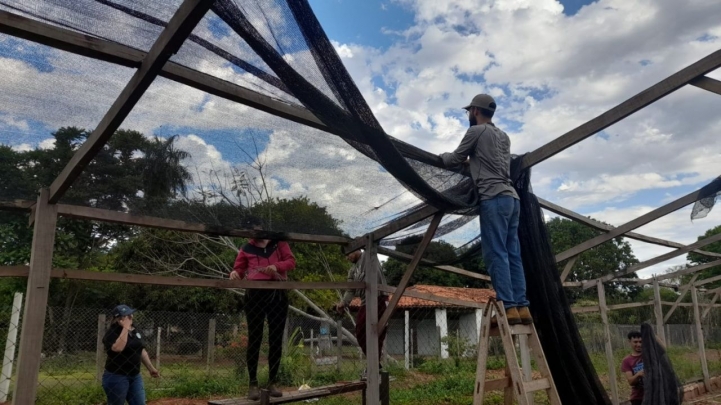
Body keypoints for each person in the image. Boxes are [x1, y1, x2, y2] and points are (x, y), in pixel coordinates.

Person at [439, 94, 530, 325]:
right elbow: (490, 160)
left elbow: (454, 159)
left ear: (476, 111)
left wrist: (441, 157)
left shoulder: (475, 132)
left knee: (496, 253)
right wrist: (473, 162)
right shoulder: (503, 136)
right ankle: (522, 307)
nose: (468, 114)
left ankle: (508, 306)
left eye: (469, 111)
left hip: (493, 198)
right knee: (513, 254)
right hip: (512, 198)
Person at [230, 231, 296, 400]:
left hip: (277, 292)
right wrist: (235, 274)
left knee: (275, 338)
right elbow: (239, 269)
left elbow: (291, 261)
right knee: (255, 337)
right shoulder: (246, 247)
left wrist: (277, 267)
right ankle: (253, 384)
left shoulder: (278, 243)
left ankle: (272, 382)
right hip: (255, 294)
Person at [335, 250, 388, 377]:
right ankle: (375, 364)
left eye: (349, 254)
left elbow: (370, 245)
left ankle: (374, 366)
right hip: (365, 302)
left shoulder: (368, 256)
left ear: (357, 249)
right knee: (360, 332)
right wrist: (343, 303)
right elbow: (350, 289)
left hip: (378, 298)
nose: (348, 257)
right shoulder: (353, 270)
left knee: (377, 333)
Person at [102, 304, 159, 405]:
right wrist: (125, 328)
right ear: (118, 319)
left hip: (135, 376)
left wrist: (151, 368)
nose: (131, 317)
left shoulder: (135, 330)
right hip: (116, 376)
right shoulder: (112, 333)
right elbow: (118, 348)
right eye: (127, 316)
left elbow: (140, 350)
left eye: (131, 314)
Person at [621, 331, 644, 405]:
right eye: (635, 342)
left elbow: (663, 349)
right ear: (629, 342)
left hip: (654, 395)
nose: (639, 344)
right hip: (638, 398)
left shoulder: (649, 355)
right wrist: (638, 374)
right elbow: (630, 381)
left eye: (641, 342)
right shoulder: (627, 360)